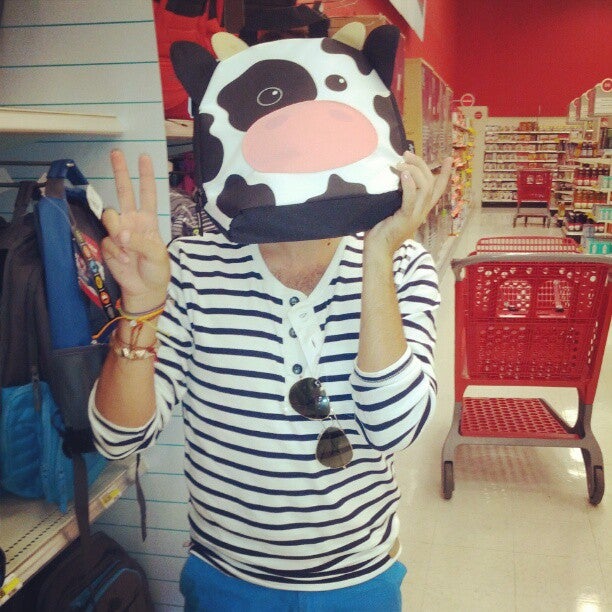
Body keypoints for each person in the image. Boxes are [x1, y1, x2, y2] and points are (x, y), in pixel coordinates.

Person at [90, 148, 452, 611]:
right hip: (227, 579)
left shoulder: (402, 263)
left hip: (358, 578)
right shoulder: (191, 266)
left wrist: (379, 255)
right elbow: (118, 438)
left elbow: (395, 429)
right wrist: (140, 308)